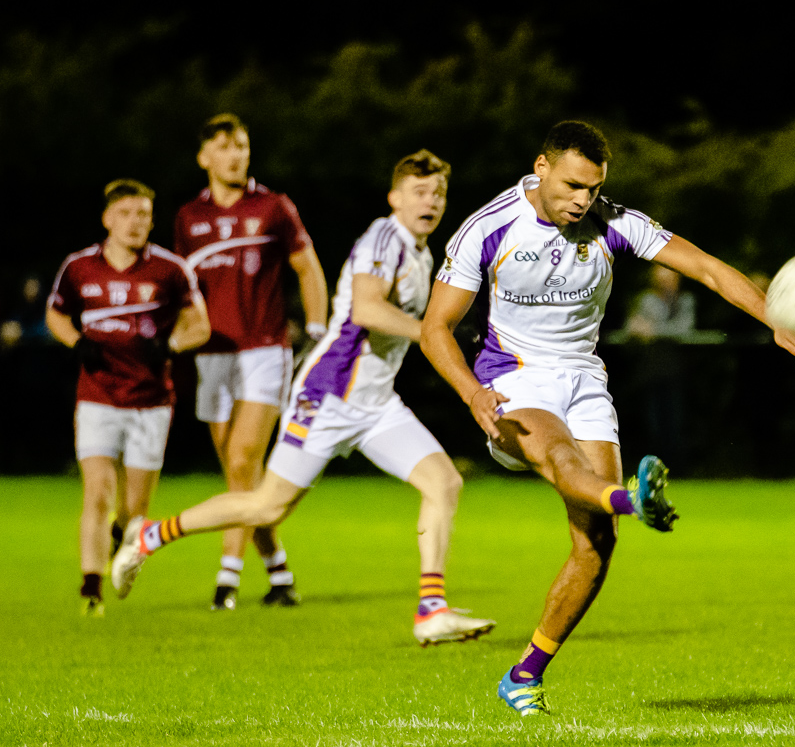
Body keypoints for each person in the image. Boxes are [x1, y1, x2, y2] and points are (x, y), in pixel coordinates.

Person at [419, 120, 795, 715]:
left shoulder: (614, 222)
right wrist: (472, 393)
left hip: (583, 378)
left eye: (594, 188)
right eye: (574, 185)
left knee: (594, 542)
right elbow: (435, 329)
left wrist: (774, 318)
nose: (583, 200)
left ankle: (524, 674)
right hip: (513, 378)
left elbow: (705, 267)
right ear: (542, 166)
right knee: (561, 461)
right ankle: (635, 499)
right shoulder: (489, 227)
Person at [113, 151, 495, 645]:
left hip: (376, 404)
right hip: (329, 394)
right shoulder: (386, 236)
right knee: (267, 507)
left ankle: (431, 610)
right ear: (394, 198)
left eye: (438, 194)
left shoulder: (422, 254)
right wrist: (432, 332)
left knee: (443, 482)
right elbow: (367, 308)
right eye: (419, 192)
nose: (431, 202)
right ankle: (148, 536)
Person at [175, 113, 329, 610]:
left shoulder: (273, 206)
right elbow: (181, 291)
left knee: (242, 459)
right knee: (241, 477)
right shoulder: (187, 218)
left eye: (241, 145)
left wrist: (318, 329)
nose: (236, 154)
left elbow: (308, 268)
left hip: (265, 349)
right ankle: (279, 573)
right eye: (224, 147)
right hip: (212, 356)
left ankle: (227, 576)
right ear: (204, 157)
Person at [45, 179, 210, 617]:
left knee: (134, 511)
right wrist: (76, 342)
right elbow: (55, 313)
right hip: (97, 396)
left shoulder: (171, 269)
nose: (135, 223)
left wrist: (171, 345)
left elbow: (201, 326)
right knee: (97, 491)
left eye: (143, 214)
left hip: (151, 402)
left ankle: (121, 542)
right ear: (107, 219)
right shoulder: (79, 266)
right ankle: (90, 588)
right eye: (126, 214)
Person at [624, 264, 696, 469]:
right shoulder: (646, 300)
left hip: (676, 370)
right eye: (662, 278)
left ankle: (678, 468)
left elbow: (684, 329)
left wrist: (652, 330)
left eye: (670, 278)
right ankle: (652, 467)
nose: (667, 283)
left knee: (676, 421)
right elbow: (633, 327)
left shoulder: (685, 301)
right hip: (650, 370)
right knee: (653, 422)